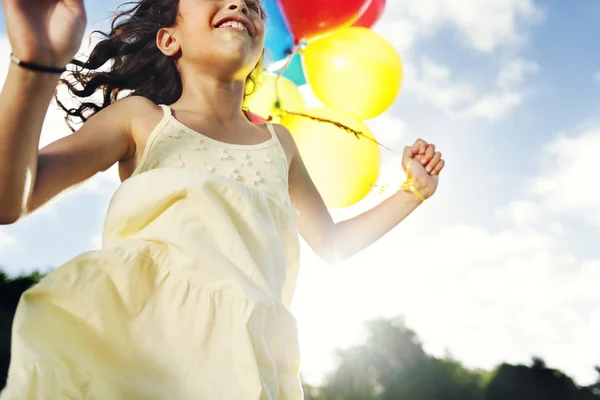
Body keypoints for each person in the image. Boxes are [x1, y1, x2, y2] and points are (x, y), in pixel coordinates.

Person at [0, 0, 446, 398]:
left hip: (249, 361)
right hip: (134, 344)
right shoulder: (142, 119)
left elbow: (331, 245)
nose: (241, 4)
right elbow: (9, 200)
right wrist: (36, 66)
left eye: (253, 5)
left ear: (259, 52)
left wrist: (412, 192)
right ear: (168, 39)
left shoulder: (280, 143)